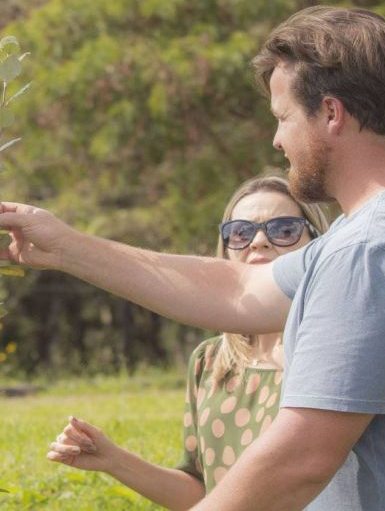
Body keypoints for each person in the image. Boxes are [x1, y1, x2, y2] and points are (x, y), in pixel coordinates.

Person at [0, 6, 385, 509]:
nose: (277, 141)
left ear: (331, 113)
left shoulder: (375, 249)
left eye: (282, 117)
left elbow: (299, 459)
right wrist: (65, 247)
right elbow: (237, 290)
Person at [46, 174, 329, 510]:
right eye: (241, 232)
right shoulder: (210, 362)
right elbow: (201, 493)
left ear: (316, 241)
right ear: (225, 248)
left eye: (284, 229)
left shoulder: (327, 350)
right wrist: (113, 459)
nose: (259, 242)